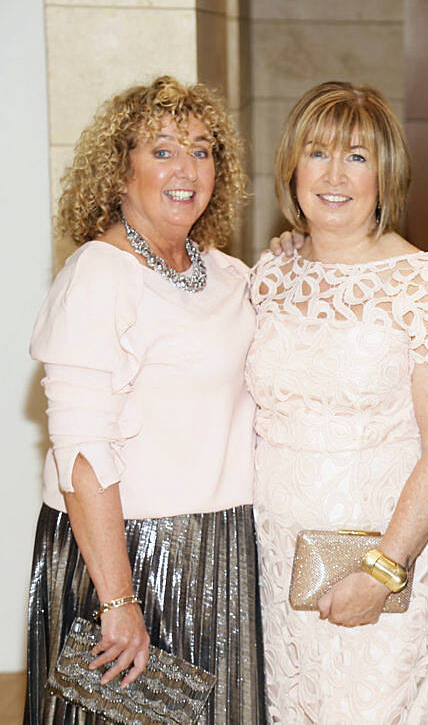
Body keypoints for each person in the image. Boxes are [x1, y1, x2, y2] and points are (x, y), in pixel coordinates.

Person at [26, 77, 265, 722]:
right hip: (129, 556)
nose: (187, 169)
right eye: (162, 150)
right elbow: (80, 450)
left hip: (224, 551)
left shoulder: (228, 274)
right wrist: (116, 599)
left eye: (202, 149)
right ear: (120, 169)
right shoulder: (98, 276)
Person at [249, 82, 428, 722]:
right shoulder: (273, 272)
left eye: (357, 157)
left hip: (377, 548)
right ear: (292, 168)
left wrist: (382, 571)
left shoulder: (421, 281)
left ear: (386, 175)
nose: (334, 174)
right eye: (318, 153)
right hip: (275, 552)